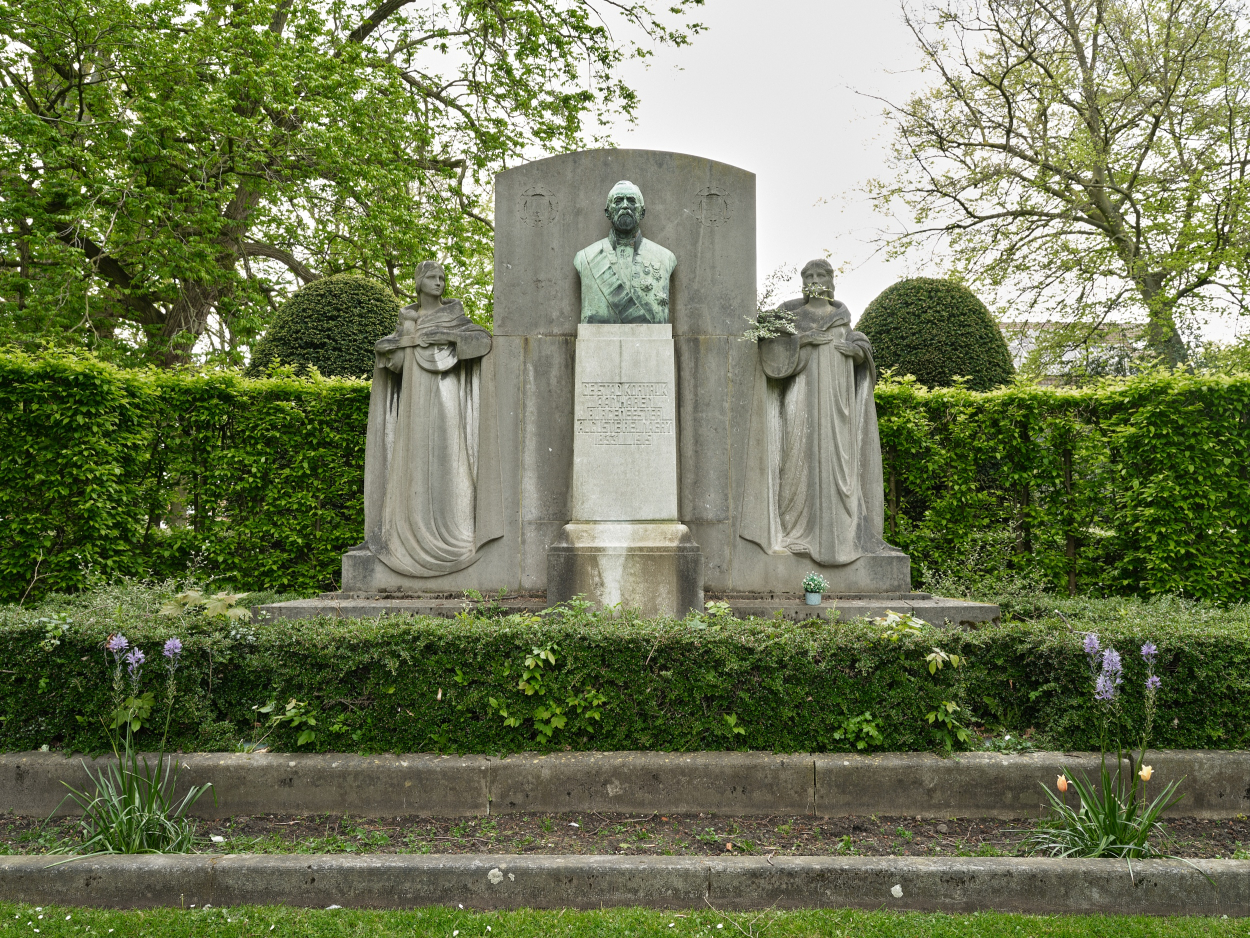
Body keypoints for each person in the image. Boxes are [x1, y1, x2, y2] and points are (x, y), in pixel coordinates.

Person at [740, 258, 891, 565]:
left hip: (837, 405)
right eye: (808, 276)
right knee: (797, 459)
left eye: (820, 275)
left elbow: (861, 344)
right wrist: (803, 340)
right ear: (803, 283)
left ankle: (842, 535)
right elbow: (770, 342)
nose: (814, 280)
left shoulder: (841, 317)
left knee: (840, 466)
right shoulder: (792, 315)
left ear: (830, 281)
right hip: (800, 401)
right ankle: (795, 532)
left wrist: (858, 352)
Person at [362, 261, 498, 576]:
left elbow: (482, 342)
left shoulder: (454, 316)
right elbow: (396, 363)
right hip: (412, 400)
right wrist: (388, 350)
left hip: (445, 393)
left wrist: (447, 339)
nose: (438, 282)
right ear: (419, 282)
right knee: (414, 462)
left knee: (449, 458)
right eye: (432, 278)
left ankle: (456, 532)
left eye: (442, 278)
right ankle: (408, 530)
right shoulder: (407, 320)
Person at [574, 180, 676, 324]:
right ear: (608, 212)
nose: (625, 205)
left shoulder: (665, 258)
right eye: (618, 201)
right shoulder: (585, 258)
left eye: (632, 201)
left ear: (642, 212)